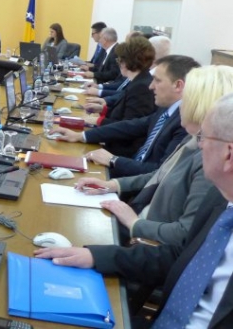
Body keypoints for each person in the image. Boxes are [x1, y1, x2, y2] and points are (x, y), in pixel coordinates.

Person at [35, 93, 233, 328]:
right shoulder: (219, 202)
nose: (199, 145)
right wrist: (96, 256)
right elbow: (181, 258)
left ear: (228, 154)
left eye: (203, 137)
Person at [74, 65, 233, 246]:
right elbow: (160, 175)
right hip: (139, 218)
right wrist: (112, 184)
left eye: (186, 98)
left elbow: (185, 233)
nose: (181, 104)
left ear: (201, 103)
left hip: (146, 239)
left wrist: (135, 223)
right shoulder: (191, 139)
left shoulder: (211, 160)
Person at [55, 55, 200, 177]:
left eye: (157, 80)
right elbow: (130, 126)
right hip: (129, 171)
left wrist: (114, 160)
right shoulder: (167, 109)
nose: (151, 86)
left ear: (178, 85)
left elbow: (159, 173)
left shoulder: (186, 123)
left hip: (136, 185)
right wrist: (81, 136)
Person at [83, 36, 156, 126]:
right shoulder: (138, 80)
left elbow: (129, 126)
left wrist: (99, 121)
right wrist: (103, 109)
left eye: (119, 60)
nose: (119, 64)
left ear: (127, 62)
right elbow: (123, 112)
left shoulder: (141, 86)